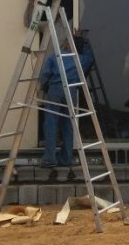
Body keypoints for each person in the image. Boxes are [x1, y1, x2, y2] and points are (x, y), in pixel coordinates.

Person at [39, 35, 94, 167]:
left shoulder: (55, 56)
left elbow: (45, 75)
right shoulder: (80, 59)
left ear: (66, 44)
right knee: (68, 125)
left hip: (55, 90)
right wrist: (85, 41)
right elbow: (90, 57)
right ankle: (66, 158)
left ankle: (49, 159)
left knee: (51, 124)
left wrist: (45, 87)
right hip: (71, 91)